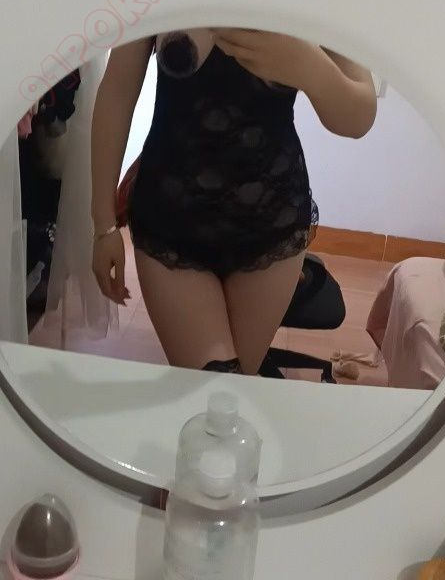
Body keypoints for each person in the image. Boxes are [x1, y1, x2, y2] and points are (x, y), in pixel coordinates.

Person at [91, 28, 377, 375]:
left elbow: (358, 117)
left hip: (272, 221)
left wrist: (310, 67)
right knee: (215, 385)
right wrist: (103, 225)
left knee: (238, 384)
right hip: (171, 219)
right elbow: (116, 94)